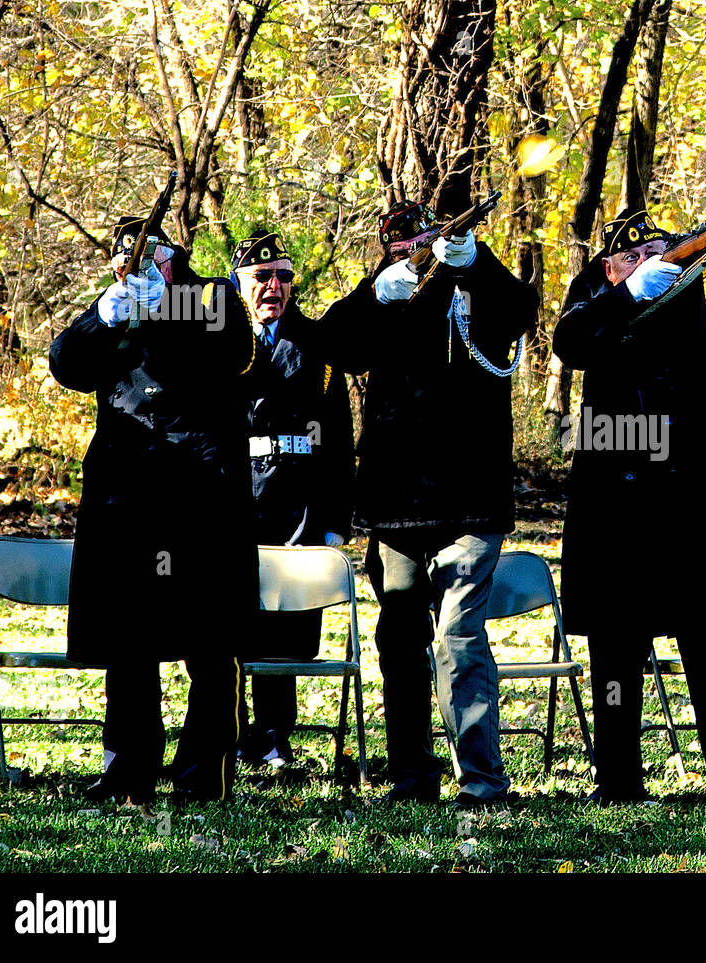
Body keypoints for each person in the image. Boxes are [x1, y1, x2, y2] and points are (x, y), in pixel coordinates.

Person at [552, 209, 706, 807]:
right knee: (616, 644)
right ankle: (619, 782)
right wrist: (625, 294)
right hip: (617, 504)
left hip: (696, 497)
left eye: (659, 250)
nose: (651, 261)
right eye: (634, 255)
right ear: (610, 266)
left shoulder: (697, 283)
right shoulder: (596, 295)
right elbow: (570, 341)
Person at [317, 199, 536, 807]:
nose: (406, 254)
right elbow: (330, 343)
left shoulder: (473, 285)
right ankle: (411, 776)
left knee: (460, 639)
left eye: (415, 244)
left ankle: (483, 781)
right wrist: (373, 293)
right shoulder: (383, 298)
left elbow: (521, 312)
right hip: (396, 507)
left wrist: (474, 265)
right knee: (399, 642)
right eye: (394, 248)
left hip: (470, 501)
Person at [49, 215, 257, 804]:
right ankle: (128, 767)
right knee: (129, 640)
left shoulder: (210, 296)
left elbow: (234, 349)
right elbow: (66, 363)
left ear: (173, 257)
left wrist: (169, 302)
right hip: (129, 501)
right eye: (128, 262)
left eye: (150, 258)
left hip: (202, 501)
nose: (138, 269)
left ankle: (205, 771)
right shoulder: (115, 304)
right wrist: (105, 315)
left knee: (210, 643)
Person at [231, 229, 354, 768]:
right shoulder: (224, 339)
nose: (273, 286)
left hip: (300, 502)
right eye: (261, 277)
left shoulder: (318, 341)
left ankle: (277, 738)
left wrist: (335, 521)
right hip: (237, 500)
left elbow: (339, 439)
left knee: (287, 630)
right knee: (233, 626)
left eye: (283, 275)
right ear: (240, 284)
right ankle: (231, 738)